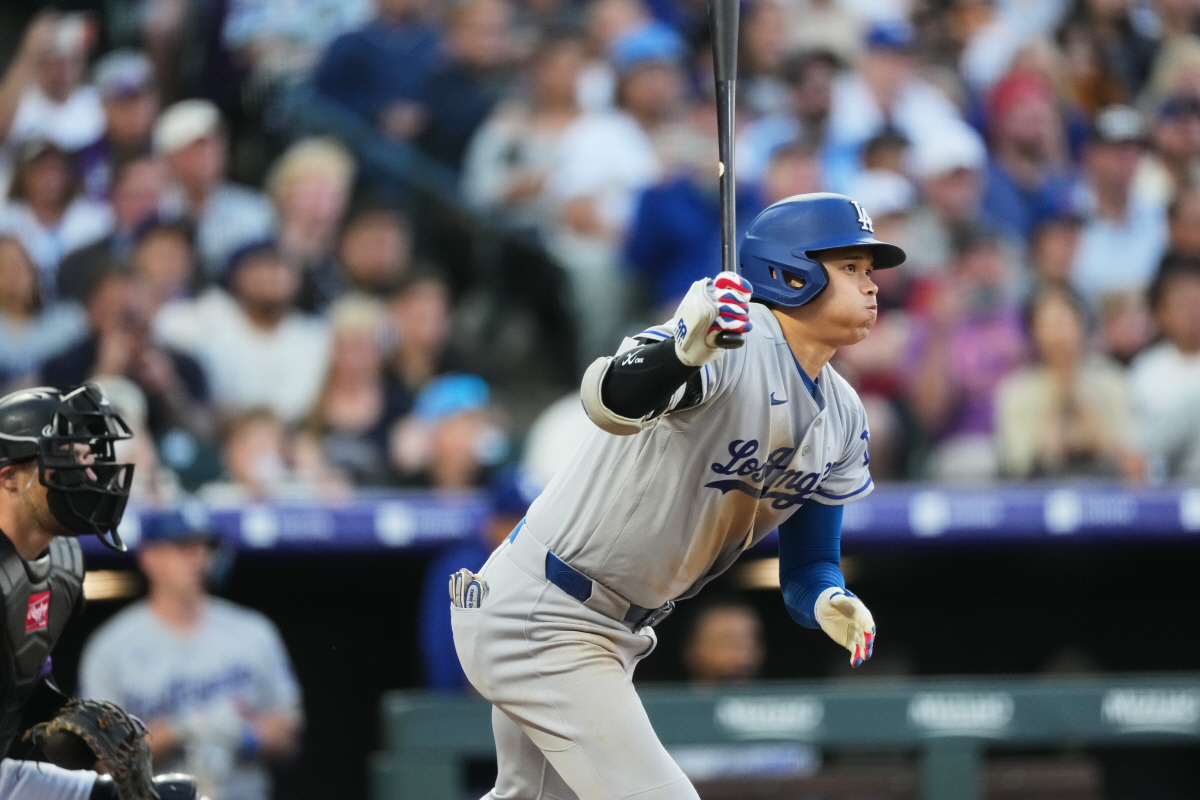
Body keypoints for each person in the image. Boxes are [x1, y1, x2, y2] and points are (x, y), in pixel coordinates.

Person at [450, 192, 886, 799]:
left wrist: (826, 599)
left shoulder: (845, 415)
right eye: (851, 269)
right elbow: (609, 400)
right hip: (549, 611)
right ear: (794, 272)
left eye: (869, 272)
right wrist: (685, 348)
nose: (871, 287)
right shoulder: (730, 340)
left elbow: (808, 566)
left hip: (610, 629)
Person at [0, 383, 198, 800]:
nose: (90, 476)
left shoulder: (62, 564)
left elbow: (17, 686)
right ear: (9, 478)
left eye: (88, 460)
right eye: (68, 461)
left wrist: (56, 718)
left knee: (177, 797)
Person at [80, 505, 303, 800]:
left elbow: (289, 734)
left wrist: (245, 736)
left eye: (205, 548)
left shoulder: (254, 631)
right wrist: (178, 731)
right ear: (149, 557)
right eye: (183, 548)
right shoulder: (111, 646)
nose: (198, 560)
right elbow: (102, 760)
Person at [154, 240, 331, 426]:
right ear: (237, 275)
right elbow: (163, 327)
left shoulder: (312, 336)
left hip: (289, 435)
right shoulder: (212, 314)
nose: (272, 275)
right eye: (261, 266)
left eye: (281, 267)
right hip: (217, 432)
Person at [153, 99, 276, 281]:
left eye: (214, 144)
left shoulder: (254, 211)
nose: (208, 155)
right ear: (168, 158)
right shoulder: (154, 211)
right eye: (196, 147)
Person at [1128, 254, 1200, 480]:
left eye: (1198, 302)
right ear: (1160, 313)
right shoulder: (1147, 370)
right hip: (1168, 485)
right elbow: (1135, 451)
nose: (1193, 313)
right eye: (1183, 304)